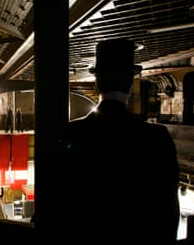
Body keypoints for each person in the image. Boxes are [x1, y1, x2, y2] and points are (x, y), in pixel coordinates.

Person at [58, 38, 180, 243]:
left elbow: (59, 199)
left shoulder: (72, 132)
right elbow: (168, 210)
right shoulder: (157, 137)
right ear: (130, 84)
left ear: (97, 83)